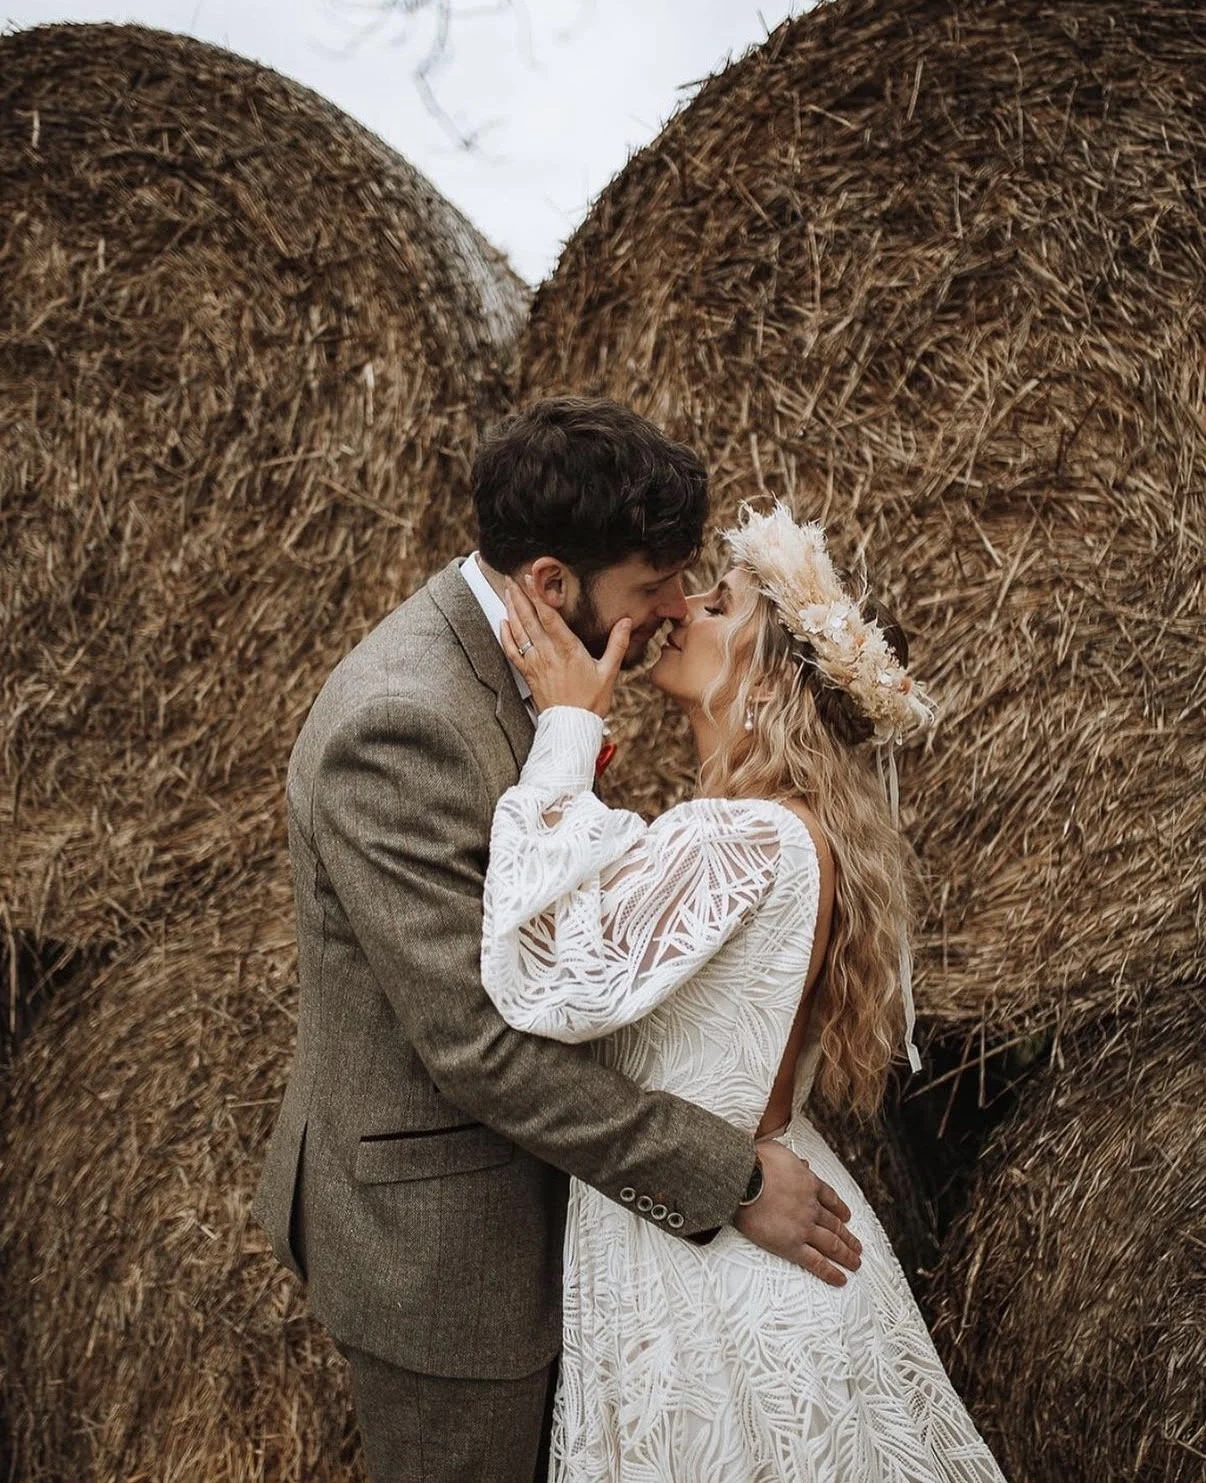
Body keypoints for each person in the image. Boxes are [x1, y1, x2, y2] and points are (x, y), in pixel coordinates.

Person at [253, 400, 862, 1483]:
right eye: (649, 588)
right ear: (548, 582)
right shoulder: (400, 724)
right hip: (451, 1251)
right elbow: (479, 1048)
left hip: (571, 1213)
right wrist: (725, 1177)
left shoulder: (540, 663)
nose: (676, 610)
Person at [481, 500, 1007, 1481]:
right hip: (764, 1218)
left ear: (768, 680)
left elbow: (546, 979)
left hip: (704, 1259)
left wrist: (560, 733)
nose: (680, 606)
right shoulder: (787, 831)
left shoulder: (734, 836)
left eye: (719, 603)